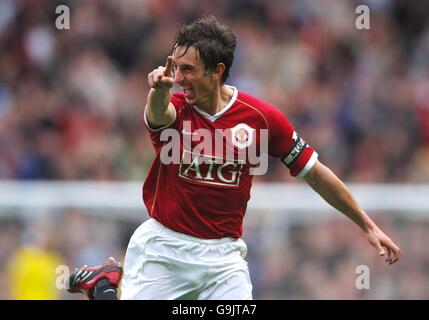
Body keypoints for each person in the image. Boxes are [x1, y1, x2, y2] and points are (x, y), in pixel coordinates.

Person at [67, 15, 401, 300]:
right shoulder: (176, 106)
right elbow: (158, 114)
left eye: (187, 69)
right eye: (174, 67)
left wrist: (367, 225)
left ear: (217, 70)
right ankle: (105, 281)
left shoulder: (261, 118)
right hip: (164, 251)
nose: (178, 78)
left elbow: (314, 172)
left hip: (224, 259)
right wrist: (158, 90)